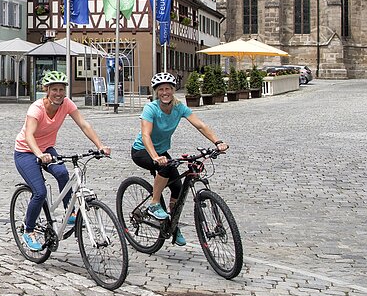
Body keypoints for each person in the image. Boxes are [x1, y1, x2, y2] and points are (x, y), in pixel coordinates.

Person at [15, 70, 111, 251]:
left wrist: (100, 145)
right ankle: (28, 230)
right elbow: (28, 135)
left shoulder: (66, 104)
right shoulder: (36, 108)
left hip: (47, 150)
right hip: (26, 152)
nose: (58, 93)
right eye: (54, 89)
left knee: (62, 172)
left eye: (61, 89)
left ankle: (71, 211)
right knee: (40, 192)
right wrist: (39, 154)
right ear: (46, 90)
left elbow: (84, 124)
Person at [132, 72, 228, 246]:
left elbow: (200, 125)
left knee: (177, 186)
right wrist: (155, 157)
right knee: (166, 167)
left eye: (168, 88)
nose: (164, 92)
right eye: (160, 89)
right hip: (142, 151)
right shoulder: (151, 109)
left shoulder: (179, 107)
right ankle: (154, 204)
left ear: (173, 90)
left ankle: (172, 225)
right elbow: (146, 135)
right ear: (156, 92)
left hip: (161, 152)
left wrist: (217, 141)